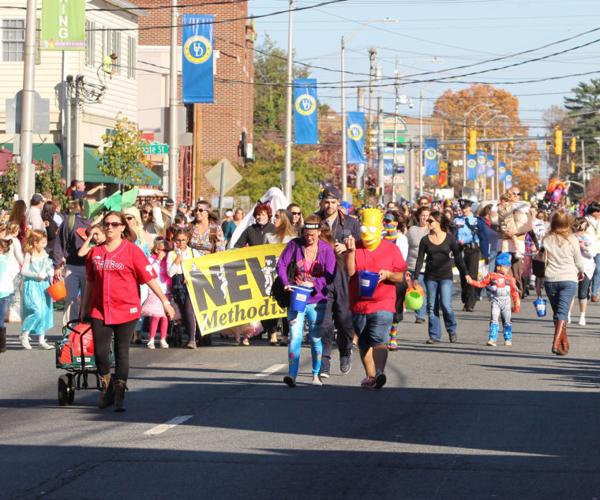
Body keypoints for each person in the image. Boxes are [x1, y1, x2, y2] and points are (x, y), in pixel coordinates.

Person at [80, 211, 175, 412]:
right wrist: (84, 308)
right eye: (106, 224)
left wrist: (165, 302)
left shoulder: (131, 251)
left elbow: (150, 279)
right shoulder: (95, 252)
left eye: (115, 224)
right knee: (100, 353)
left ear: (123, 227)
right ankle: (106, 387)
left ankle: (119, 393)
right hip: (100, 309)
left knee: (122, 351)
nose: (109, 227)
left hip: (126, 309)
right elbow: (89, 281)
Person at [345, 208, 407, 389]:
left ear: (379, 229)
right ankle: (371, 376)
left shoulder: (391, 249)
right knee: (364, 342)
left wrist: (388, 274)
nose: (367, 234)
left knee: (379, 339)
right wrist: (350, 252)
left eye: (371, 230)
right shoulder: (355, 245)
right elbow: (350, 272)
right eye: (364, 230)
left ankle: (380, 372)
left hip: (383, 302)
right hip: (359, 303)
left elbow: (401, 276)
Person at [276, 215, 336, 387]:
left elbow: (330, 275)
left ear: (319, 232)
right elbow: (281, 265)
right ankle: (292, 375)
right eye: (306, 234)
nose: (309, 238)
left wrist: (315, 283)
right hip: (297, 298)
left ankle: (316, 374)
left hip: (318, 300)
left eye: (313, 234)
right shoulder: (294, 245)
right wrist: (286, 283)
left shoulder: (326, 250)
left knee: (315, 338)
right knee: (295, 336)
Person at [315, 186, 361, 377]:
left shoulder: (350, 223)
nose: (329, 206)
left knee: (344, 320)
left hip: (344, 276)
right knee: (324, 323)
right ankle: (324, 361)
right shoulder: (314, 221)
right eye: (326, 202)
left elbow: (361, 247)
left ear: (339, 203)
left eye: (333, 202)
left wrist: (348, 247)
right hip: (322, 278)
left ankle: (345, 352)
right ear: (322, 202)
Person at [414, 211, 469, 345]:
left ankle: (451, 330)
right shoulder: (425, 240)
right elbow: (420, 259)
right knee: (432, 306)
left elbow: (458, 258)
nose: (428, 223)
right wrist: (415, 278)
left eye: (431, 220)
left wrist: (465, 273)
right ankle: (434, 335)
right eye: (427, 221)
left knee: (446, 305)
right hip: (430, 277)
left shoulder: (449, 238)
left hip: (445, 276)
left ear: (438, 222)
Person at [542, 210, 585, 356]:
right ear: (568, 223)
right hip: (568, 278)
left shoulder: (547, 239)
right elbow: (578, 260)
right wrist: (581, 271)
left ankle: (563, 344)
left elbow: (543, 260)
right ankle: (556, 343)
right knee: (562, 312)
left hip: (551, 278)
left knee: (558, 313)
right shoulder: (572, 239)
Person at [235, 202, 277, 344]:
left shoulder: (274, 229)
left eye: (263, 214)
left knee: (270, 303)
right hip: (253, 271)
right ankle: (248, 334)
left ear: (268, 216)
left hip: (270, 271)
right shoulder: (250, 230)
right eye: (258, 214)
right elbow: (237, 247)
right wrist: (244, 251)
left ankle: (272, 332)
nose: (260, 217)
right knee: (253, 304)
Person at [467, 252, 520, 347]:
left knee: (507, 321)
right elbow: (481, 284)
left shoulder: (510, 279)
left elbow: (514, 293)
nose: (506, 269)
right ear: (498, 266)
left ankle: (508, 339)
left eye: (507, 267)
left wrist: (516, 305)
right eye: (504, 266)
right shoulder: (491, 276)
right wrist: (471, 282)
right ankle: (492, 339)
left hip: (506, 302)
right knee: (494, 319)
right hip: (496, 301)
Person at [53, 199, 91, 324]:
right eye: (86, 205)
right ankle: (69, 332)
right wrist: (57, 265)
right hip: (72, 266)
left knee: (89, 300)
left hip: (91, 268)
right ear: (80, 206)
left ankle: (86, 332)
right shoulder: (70, 221)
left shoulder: (98, 222)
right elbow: (59, 242)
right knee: (71, 299)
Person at [20, 230, 55, 350]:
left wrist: (51, 271)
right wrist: (36, 274)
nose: (45, 244)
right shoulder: (29, 254)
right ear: (35, 242)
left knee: (45, 311)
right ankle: (25, 334)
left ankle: (41, 339)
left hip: (44, 285)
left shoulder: (44, 252)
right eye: (43, 242)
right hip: (32, 285)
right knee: (37, 310)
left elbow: (48, 265)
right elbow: (23, 271)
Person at [167, 228, 200, 349]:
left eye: (183, 240)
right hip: (177, 284)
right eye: (178, 240)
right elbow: (170, 273)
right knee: (182, 313)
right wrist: (176, 261)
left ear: (188, 240)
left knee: (189, 310)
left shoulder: (193, 253)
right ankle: (191, 336)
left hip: (189, 283)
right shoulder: (171, 254)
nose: (181, 243)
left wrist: (191, 276)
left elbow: (199, 267)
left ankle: (192, 339)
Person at [142, 238, 172, 349]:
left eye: (166, 251)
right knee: (155, 316)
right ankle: (151, 339)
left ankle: (163, 339)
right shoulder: (151, 260)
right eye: (161, 250)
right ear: (156, 250)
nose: (163, 253)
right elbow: (151, 272)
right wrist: (158, 261)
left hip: (166, 290)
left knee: (165, 316)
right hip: (155, 290)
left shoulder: (168, 261)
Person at [455, 198, 480, 312]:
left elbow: (479, 235)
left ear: (470, 207)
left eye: (465, 208)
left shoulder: (476, 220)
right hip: (460, 249)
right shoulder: (457, 220)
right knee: (463, 275)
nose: (464, 210)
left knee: (472, 275)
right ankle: (465, 297)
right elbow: (454, 234)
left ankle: (471, 302)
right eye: (462, 208)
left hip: (472, 249)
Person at [568, 217, 595, 326]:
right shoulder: (570, 237)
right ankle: (568, 315)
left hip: (586, 267)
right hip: (572, 267)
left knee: (583, 293)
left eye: (583, 227)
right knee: (570, 293)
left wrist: (583, 247)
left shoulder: (589, 238)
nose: (581, 229)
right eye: (579, 227)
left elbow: (592, 254)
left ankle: (582, 316)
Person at [405, 206, 430, 323]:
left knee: (422, 289)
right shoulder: (412, 230)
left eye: (427, 215)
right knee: (415, 289)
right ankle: (419, 314)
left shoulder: (431, 230)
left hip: (427, 265)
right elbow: (407, 247)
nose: (425, 217)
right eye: (423, 215)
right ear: (419, 216)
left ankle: (421, 314)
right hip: (412, 264)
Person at [0, 238, 15, 352]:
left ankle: (2, 344)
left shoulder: (3, 260)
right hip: (6, 292)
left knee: (0, 319)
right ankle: (2, 345)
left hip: (3, 293)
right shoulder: (7, 259)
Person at [477, 203, 499, 273]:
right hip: (485, 252)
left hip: (497, 250)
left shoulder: (496, 224)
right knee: (487, 274)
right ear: (489, 212)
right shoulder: (480, 222)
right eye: (496, 212)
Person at [585, 202, 600, 302]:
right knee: (587, 271)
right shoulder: (584, 221)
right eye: (597, 211)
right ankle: (585, 291)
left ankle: (594, 293)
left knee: (598, 270)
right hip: (587, 250)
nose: (599, 213)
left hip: (598, 249)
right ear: (592, 212)